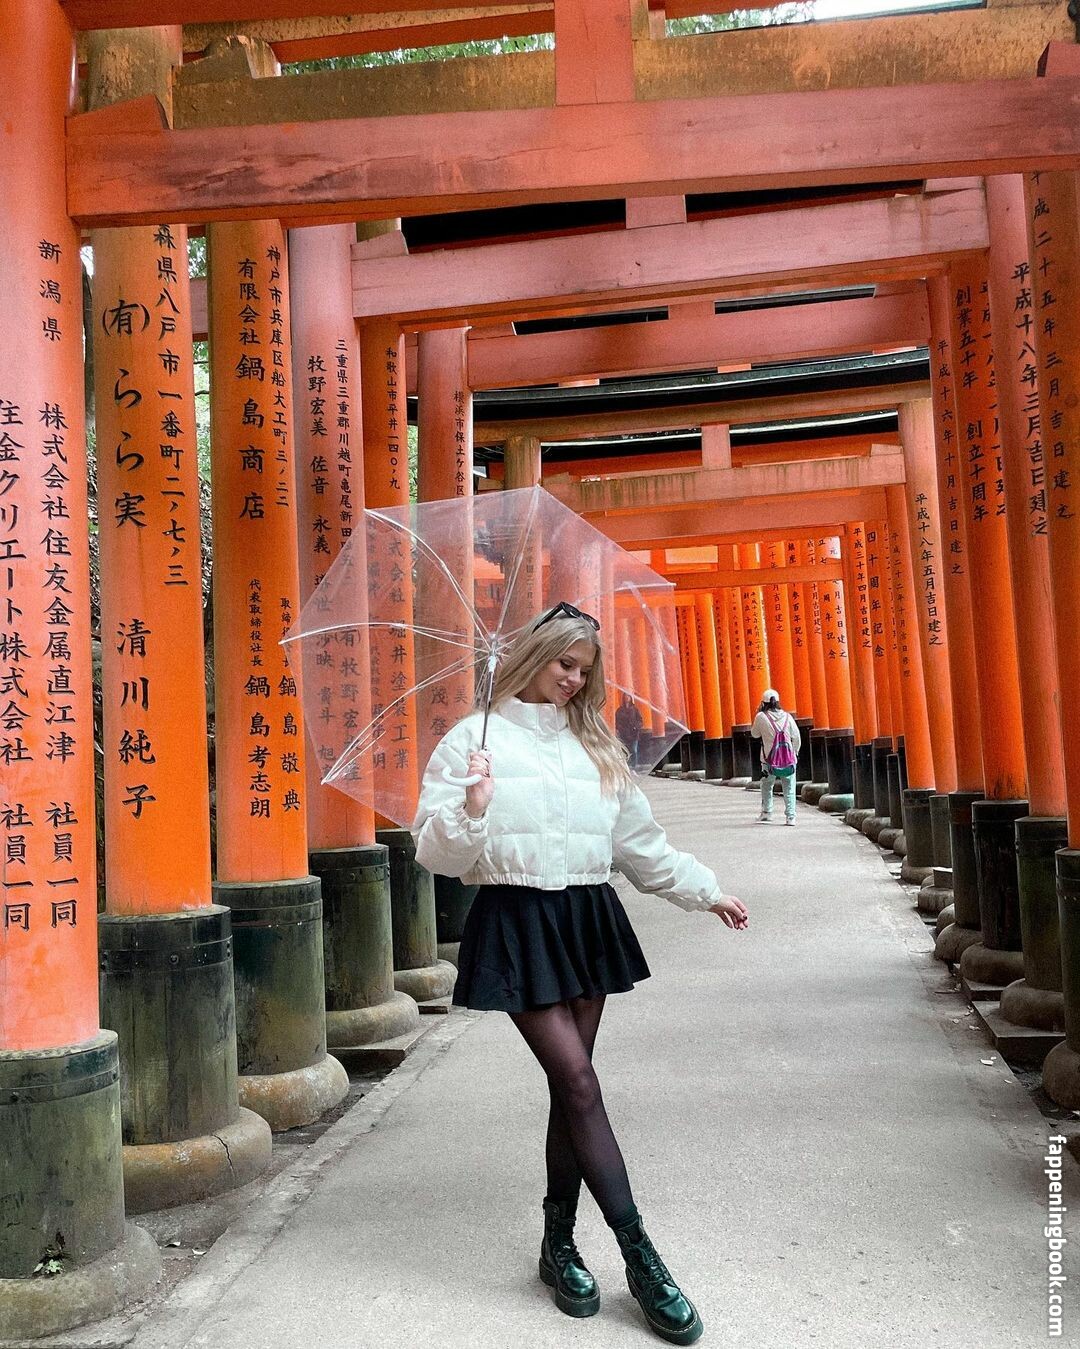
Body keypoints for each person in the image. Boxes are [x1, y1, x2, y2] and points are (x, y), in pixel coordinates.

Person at [413, 601, 748, 1346]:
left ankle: (557, 1244)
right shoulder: (473, 739)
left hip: (587, 916)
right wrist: (472, 806)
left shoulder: (596, 744)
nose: (572, 679)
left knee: (572, 1090)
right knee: (580, 1082)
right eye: (565, 663)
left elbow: (641, 846)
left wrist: (706, 891)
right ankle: (641, 1256)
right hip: (518, 917)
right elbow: (436, 854)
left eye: (584, 669)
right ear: (535, 656)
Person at [750, 688, 800, 825]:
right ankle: (791, 817)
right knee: (789, 787)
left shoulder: (761, 717)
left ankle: (767, 813)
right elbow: (796, 737)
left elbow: (754, 734)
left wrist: (758, 714)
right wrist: (794, 753)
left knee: (767, 785)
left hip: (769, 760)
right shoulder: (788, 717)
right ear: (778, 702)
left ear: (763, 703)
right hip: (788, 759)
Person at [614, 691, 645, 768]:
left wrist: (636, 727)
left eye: (628, 696)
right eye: (625, 696)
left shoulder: (635, 709)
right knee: (625, 750)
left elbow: (640, 720)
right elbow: (617, 721)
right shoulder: (619, 710)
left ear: (631, 698)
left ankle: (634, 766)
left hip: (633, 733)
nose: (627, 698)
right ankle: (627, 766)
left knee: (634, 750)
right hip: (624, 733)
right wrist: (619, 728)